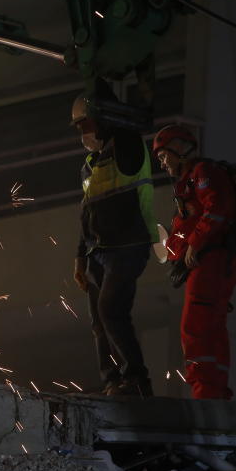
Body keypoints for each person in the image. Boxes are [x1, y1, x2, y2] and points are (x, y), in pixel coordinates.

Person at [71, 84, 157, 396]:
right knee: (99, 321)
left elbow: (128, 125)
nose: (82, 133)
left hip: (128, 246)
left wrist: (105, 95)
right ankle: (113, 382)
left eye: (85, 124)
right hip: (98, 250)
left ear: (103, 120)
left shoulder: (128, 147)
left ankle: (136, 378)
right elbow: (86, 213)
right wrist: (80, 256)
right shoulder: (90, 165)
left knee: (111, 310)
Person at [152, 125, 236, 400]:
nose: (163, 163)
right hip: (211, 261)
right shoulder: (190, 182)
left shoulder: (202, 174)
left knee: (196, 326)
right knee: (212, 326)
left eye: (164, 155)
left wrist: (195, 243)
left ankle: (205, 394)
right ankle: (214, 391)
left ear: (179, 147)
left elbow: (217, 209)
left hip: (210, 260)